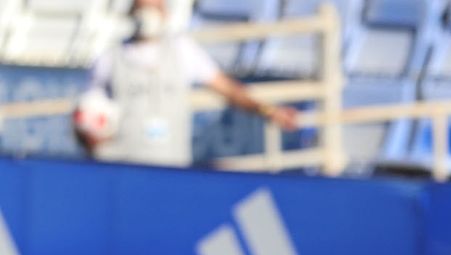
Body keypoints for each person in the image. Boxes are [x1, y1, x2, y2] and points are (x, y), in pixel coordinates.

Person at [79, 0, 299, 166]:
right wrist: (91, 139)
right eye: (143, 6)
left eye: (155, 6)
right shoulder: (110, 58)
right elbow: (88, 115)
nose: (148, 14)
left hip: (170, 166)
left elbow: (228, 90)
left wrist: (268, 110)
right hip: (124, 166)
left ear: (164, 11)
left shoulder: (182, 50)